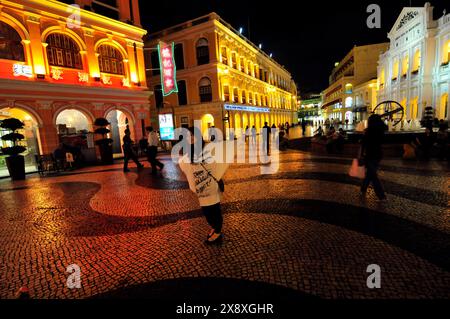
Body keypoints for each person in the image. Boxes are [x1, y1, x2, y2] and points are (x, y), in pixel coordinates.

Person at [179, 127, 229, 245]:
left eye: (193, 135)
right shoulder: (188, 152)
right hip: (201, 188)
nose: (190, 138)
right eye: (188, 136)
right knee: (207, 212)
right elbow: (184, 166)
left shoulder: (207, 147)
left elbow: (218, 159)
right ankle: (215, 228)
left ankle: (217, 232)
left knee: (214, 210)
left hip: (211, 186)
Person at [360, 114, 387, 200]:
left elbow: (363, 144)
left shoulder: (368, 132)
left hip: (369, 155)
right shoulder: (381, 130)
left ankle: (381, 195)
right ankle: (363, 188)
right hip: (378, 154)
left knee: (373, 175)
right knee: (370, 173)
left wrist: (360, 155)